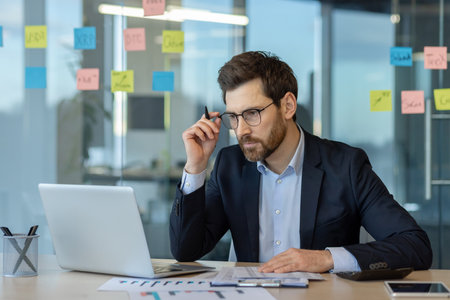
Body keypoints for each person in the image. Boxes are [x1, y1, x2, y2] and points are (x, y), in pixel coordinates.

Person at [169, 51, 432, 273]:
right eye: (234, 117)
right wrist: (196, 166)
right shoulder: (230, 165)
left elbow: (414, 245)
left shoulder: (345, 166)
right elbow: (186, 250)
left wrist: (326, 258)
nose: (240, 131)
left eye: (251, 114)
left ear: (288, 106)